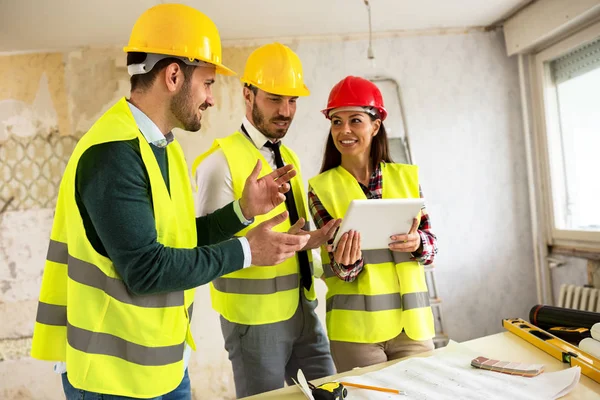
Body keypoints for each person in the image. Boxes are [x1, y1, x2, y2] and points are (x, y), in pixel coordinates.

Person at [30, 5, 309, 400]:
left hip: (164, 363)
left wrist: (241, 212)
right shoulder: (113, 153)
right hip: (111, 378)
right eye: (208, 84)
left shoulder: (162, 146)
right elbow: (146, 269)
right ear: (174, 75)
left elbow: (177, 238)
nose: (211, 99)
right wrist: (247, 251)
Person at [193, 42, 339, 398]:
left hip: (302, 308)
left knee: (334, 393)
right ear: (248, 94)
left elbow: (289, 239)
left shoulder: (286, 155)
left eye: (292, 101)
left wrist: (312, 241)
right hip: (252, 322)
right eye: (275, 99)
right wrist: (250, 245)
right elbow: (202, 250)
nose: (286, 111)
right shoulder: (219, 163)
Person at [307, 76, 439, 373]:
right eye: (336, 122)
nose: (344, 131)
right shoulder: (321, 187)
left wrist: (419, 243)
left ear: (375, 125)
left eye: (355, 120)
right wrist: (346, 261)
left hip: (413, 329)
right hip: (357, 335)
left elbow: (431, 247)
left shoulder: (406, 178)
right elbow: (339, 269)